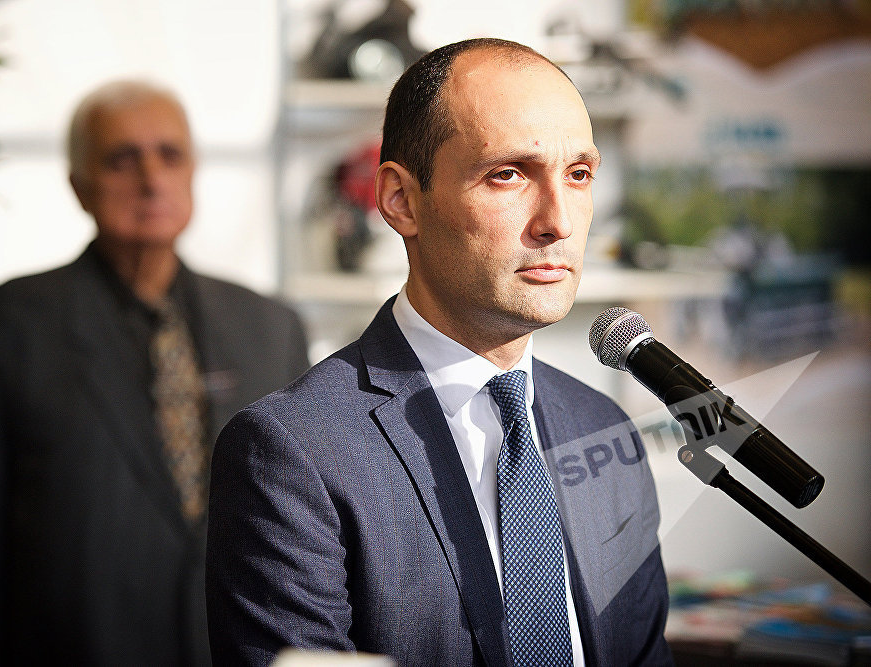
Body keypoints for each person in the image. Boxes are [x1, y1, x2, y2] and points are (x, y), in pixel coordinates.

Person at [206, 38, 672, 666]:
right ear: (401, 200)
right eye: (508, 175)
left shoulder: (602, 427)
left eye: (579, 175)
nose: (558, 221)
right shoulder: (292, 452)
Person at [0, 80, 310, 665]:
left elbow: (299, 526)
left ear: (193, 171)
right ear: (78, 186)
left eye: (170, 155)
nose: (152, 179)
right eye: (121, 159)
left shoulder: (270, 327)